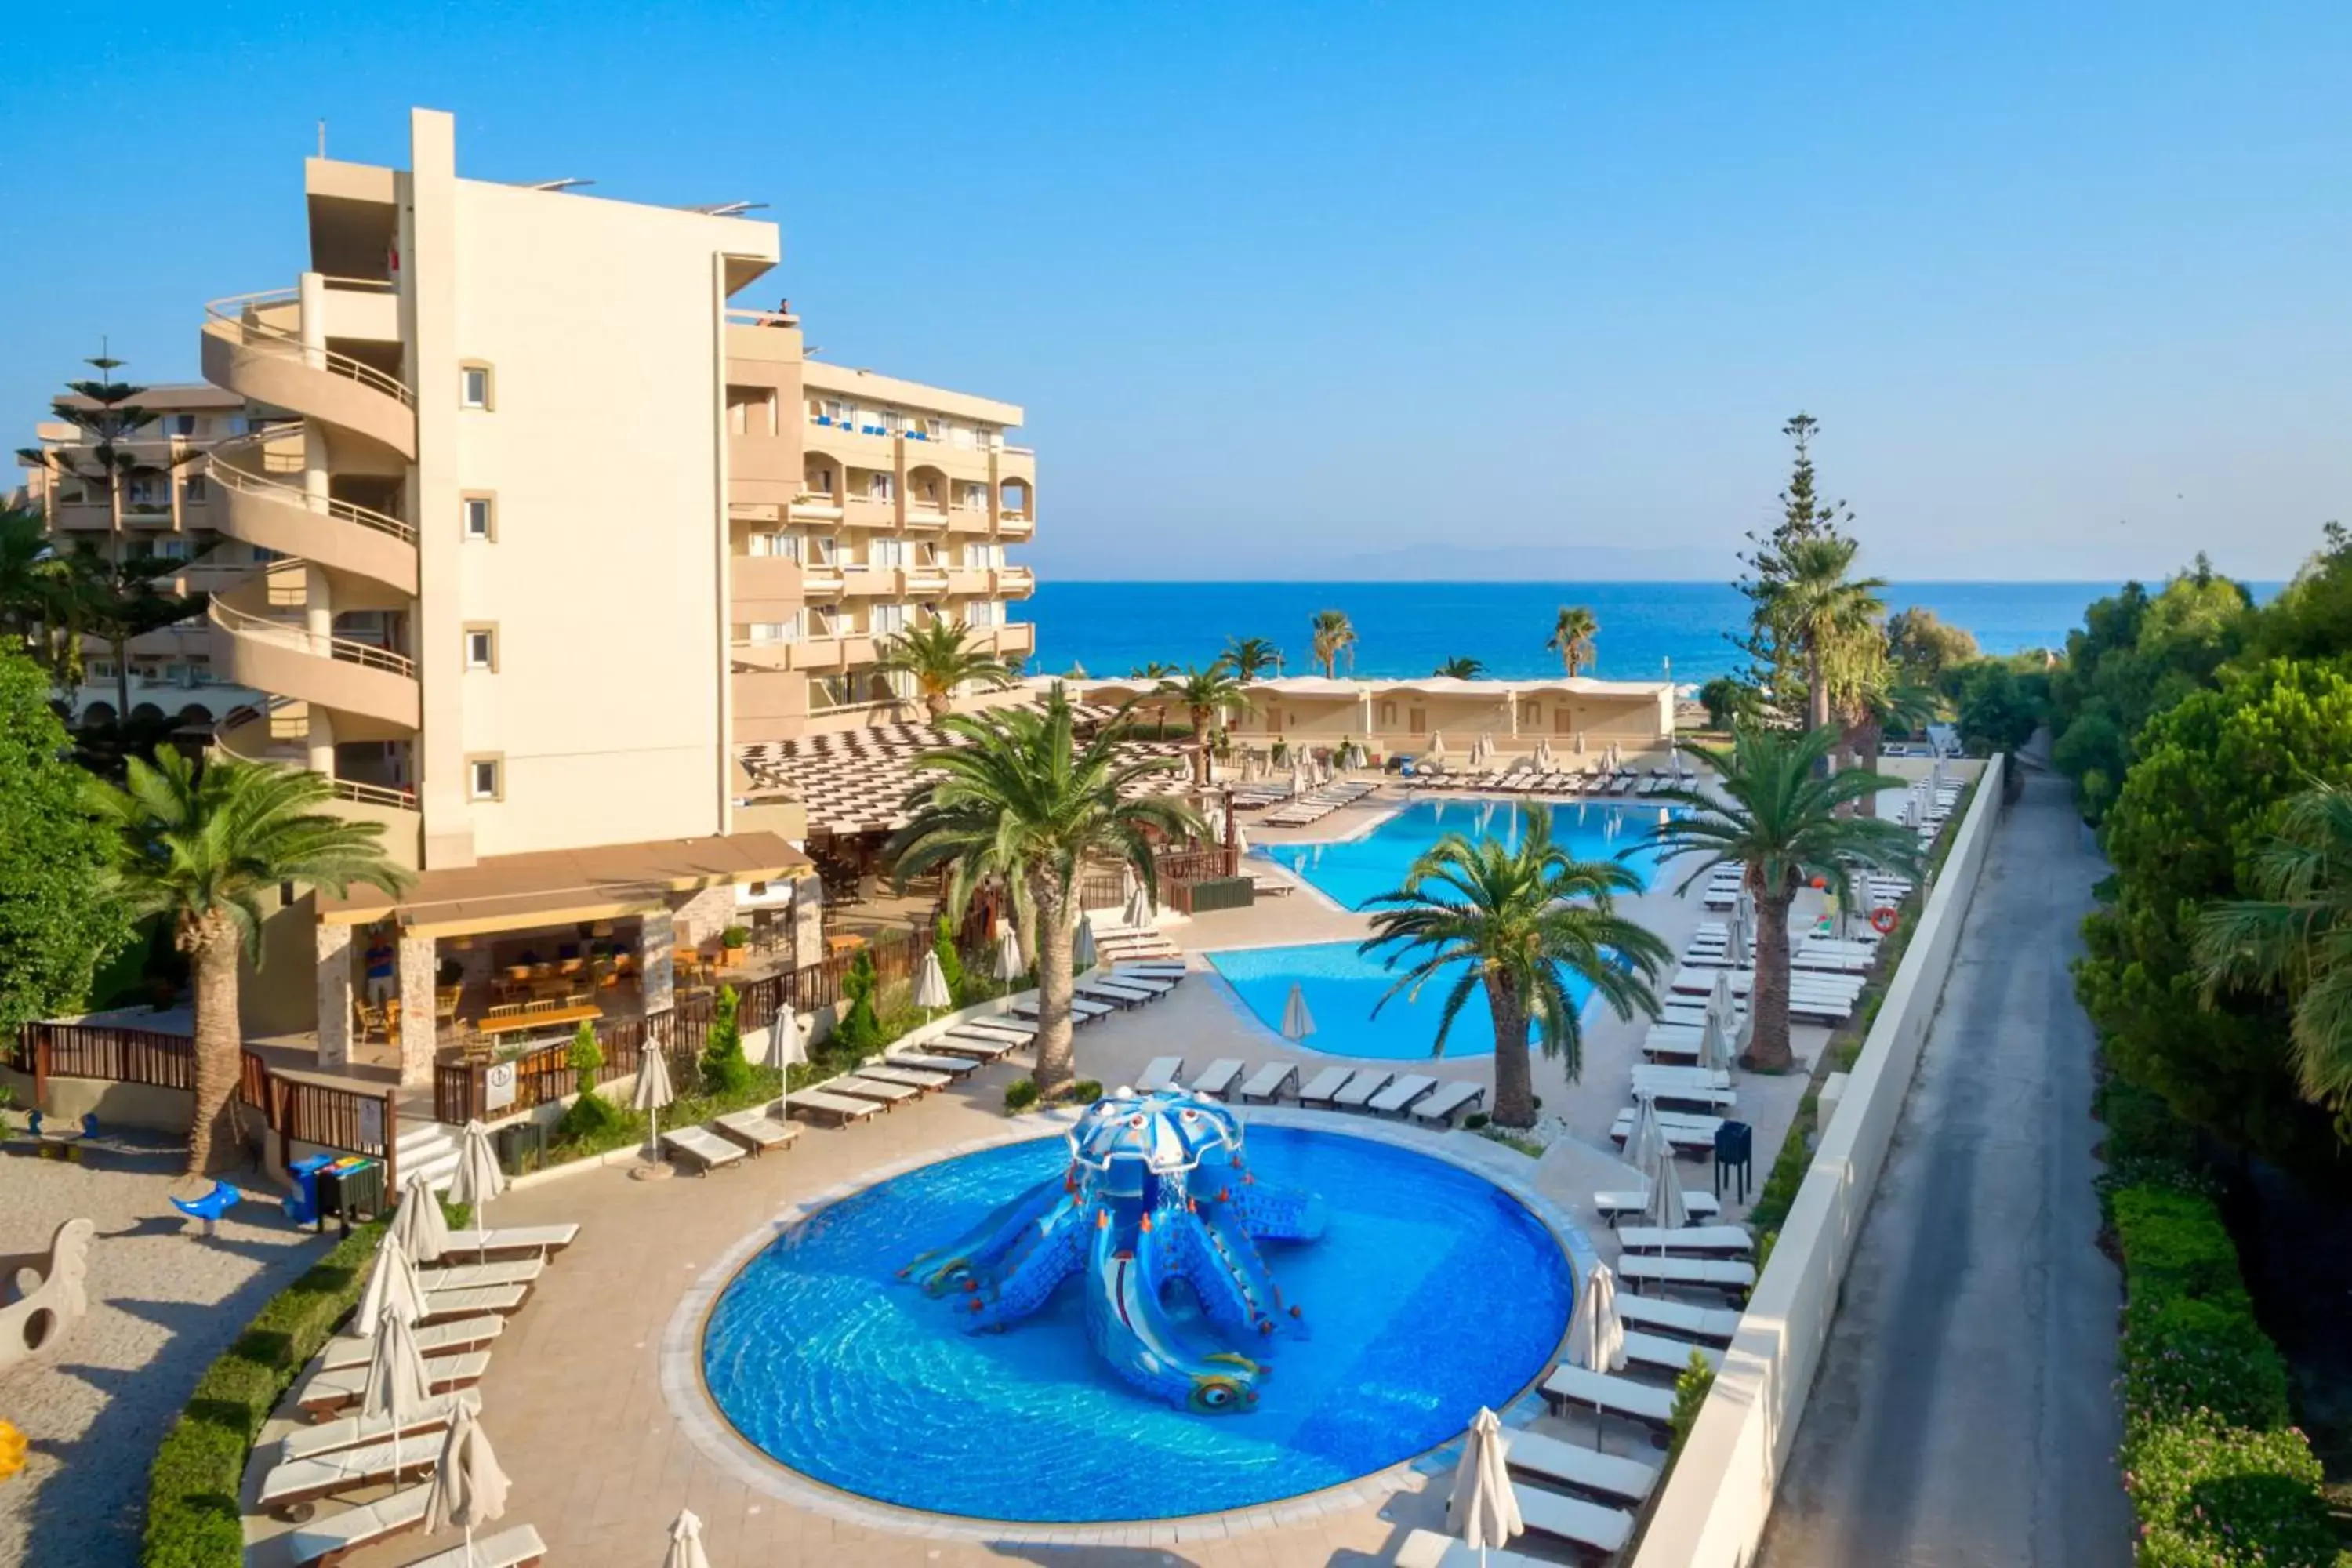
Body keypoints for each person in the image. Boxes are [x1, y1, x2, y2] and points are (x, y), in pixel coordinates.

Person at [363, 931, 395, 1004]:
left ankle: (390, 1013)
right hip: (374, 977)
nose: (379, 941)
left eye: (380, 939)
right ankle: (376, 1014)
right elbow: (368, 965)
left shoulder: (388, 950)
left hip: (387, 975)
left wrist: (376, 962)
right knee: (373, 998)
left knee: (390, 996)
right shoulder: (370, 952)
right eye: (376, 939)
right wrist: (381, 961)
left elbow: (389, 959)